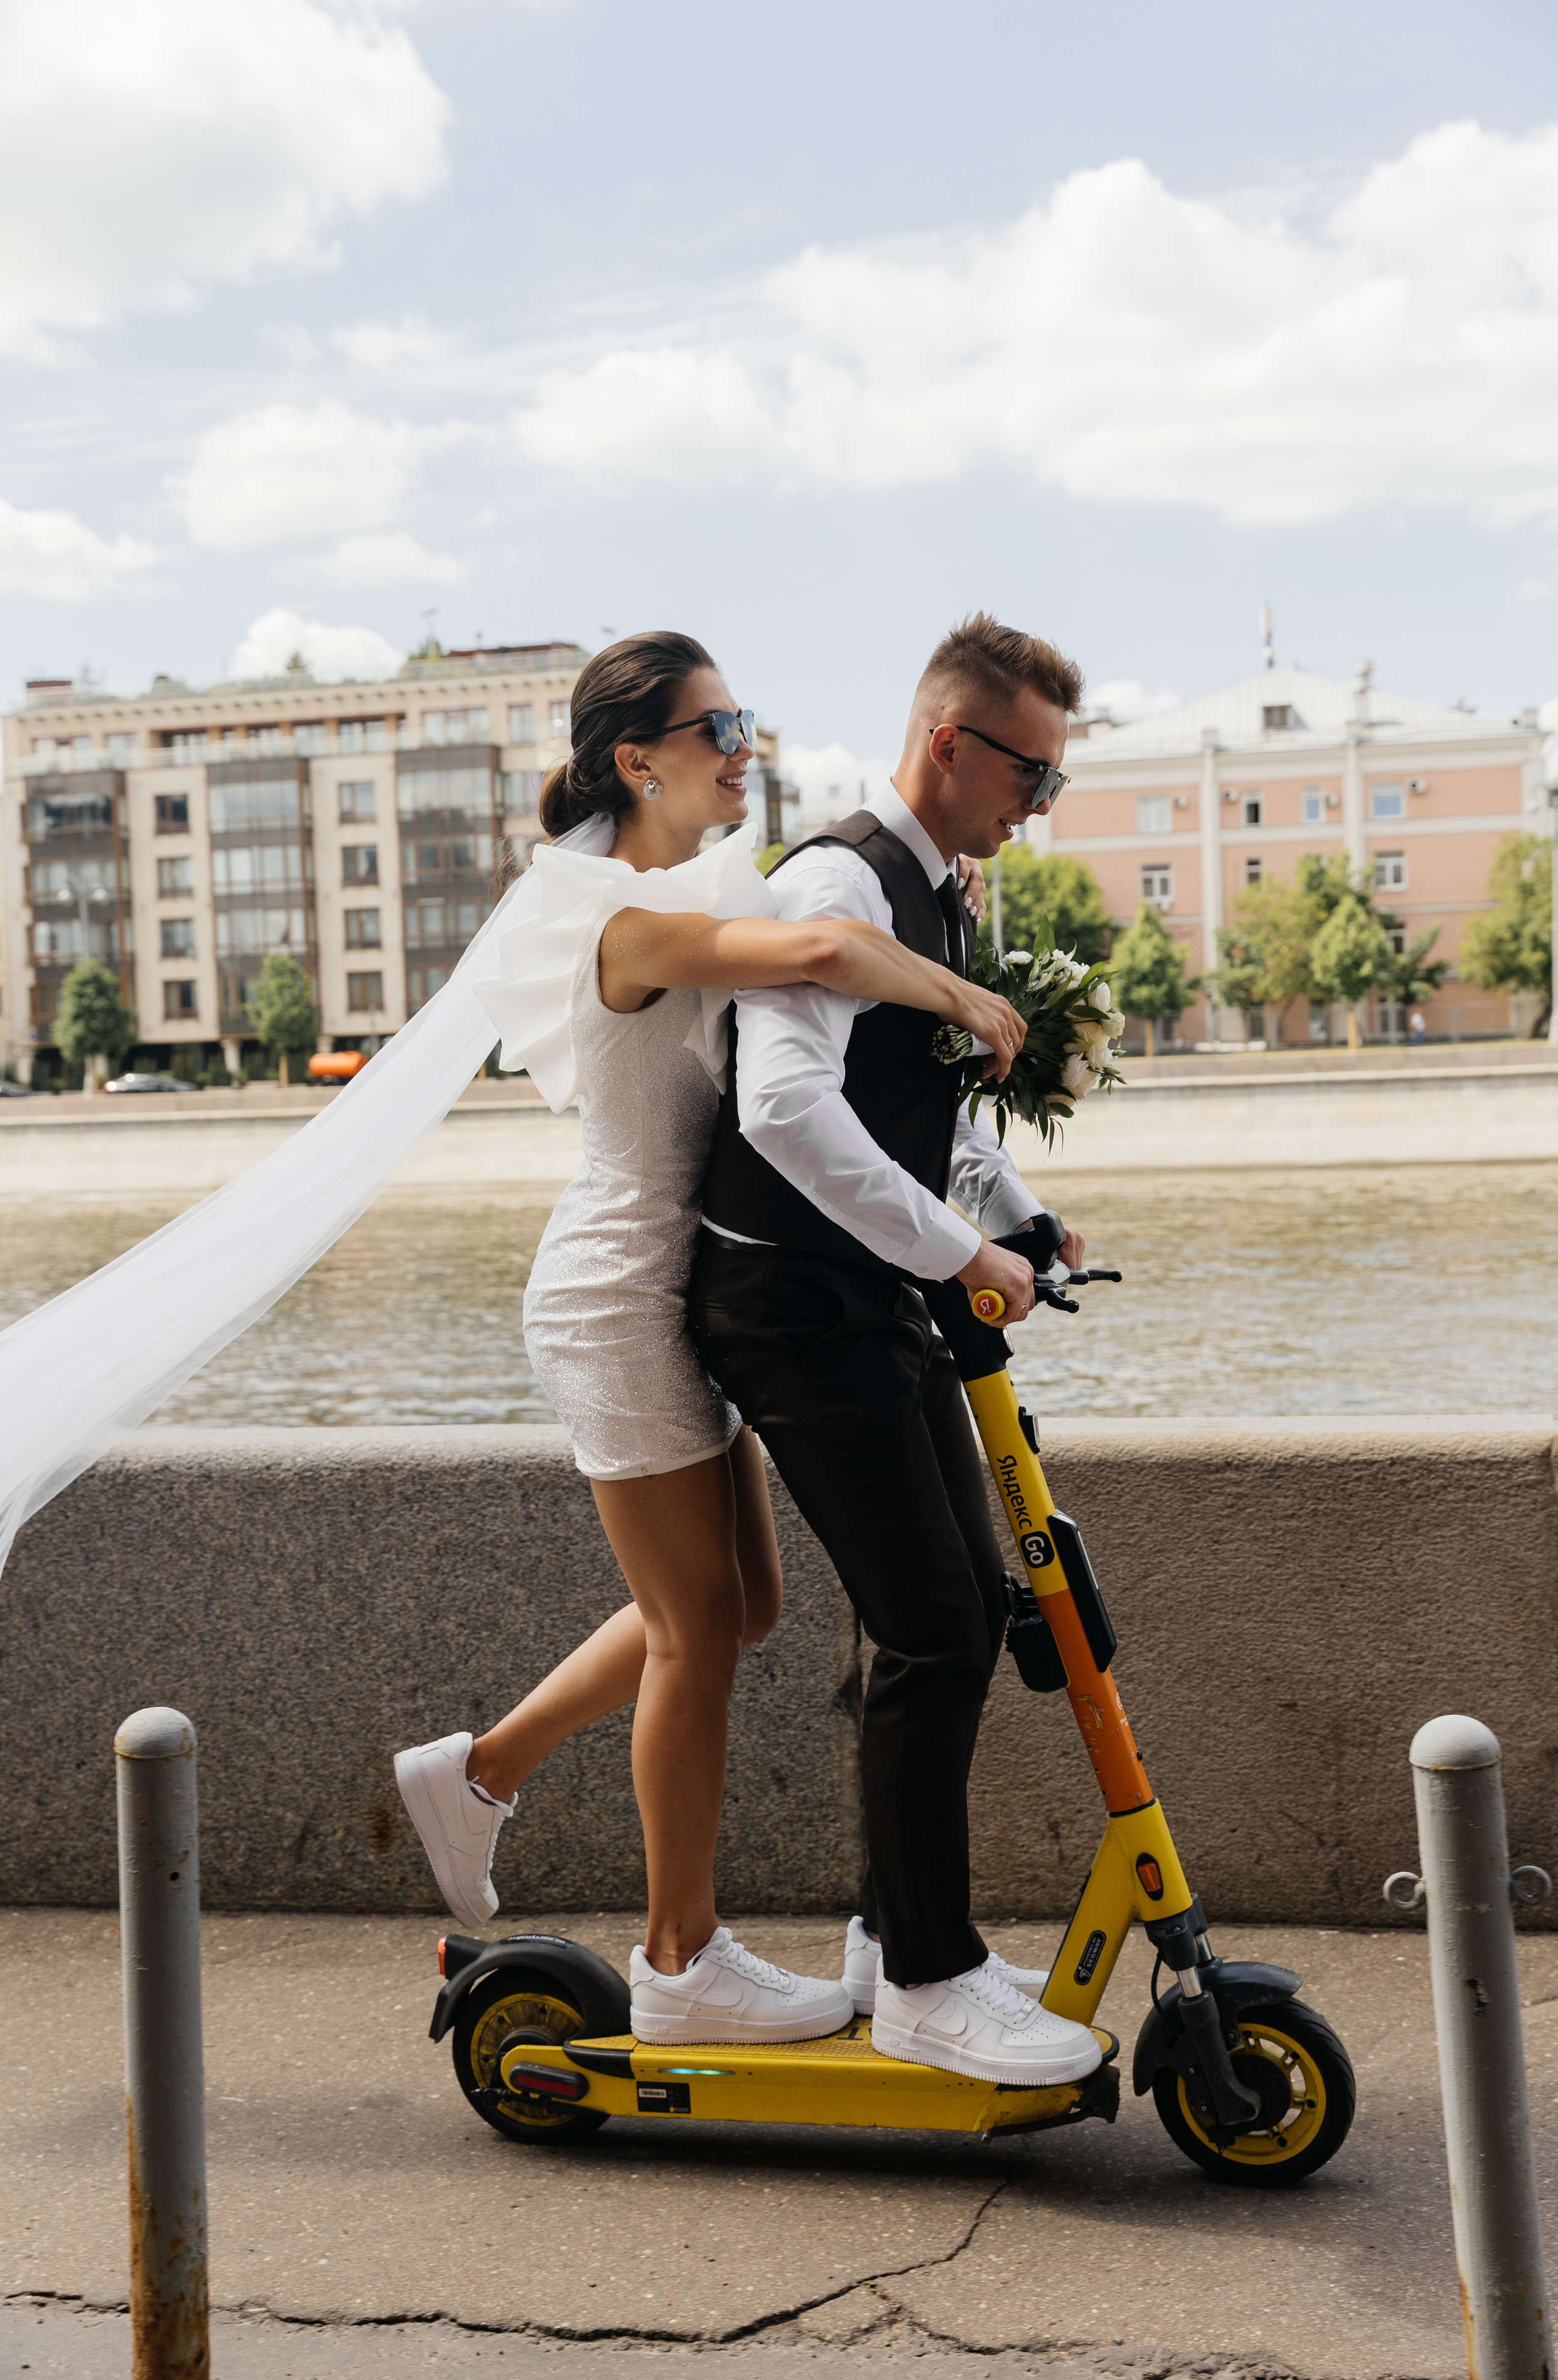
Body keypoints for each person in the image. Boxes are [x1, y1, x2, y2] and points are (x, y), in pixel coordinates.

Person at [392, 630, 1027, 2048]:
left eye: (745, 723)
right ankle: (681, 1961)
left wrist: (943, 921)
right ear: (637, 759)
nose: (745, 747)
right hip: (615, 1292)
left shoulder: (683, 884)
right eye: (717, 729)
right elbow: (811, 945)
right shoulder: (614, 920)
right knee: (698, 1630)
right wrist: (957, 989)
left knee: (740, 1607)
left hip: (679, 1283)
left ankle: (484, 1768)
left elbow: (805, 972)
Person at [691, 612, 1107, 2089]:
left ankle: (897, 1934)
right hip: (791, 1308)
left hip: (875, 1302)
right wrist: (960, 1254)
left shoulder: (943, 895)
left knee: (957, 1609)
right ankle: (928, 1985)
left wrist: (1022, 1215)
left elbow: (916, 1115)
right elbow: (784, 1113)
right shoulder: (836, 880)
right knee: (934, 1627)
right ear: (948, 741)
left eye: (1051, 781)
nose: (1036, 804)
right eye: (1029, 775)